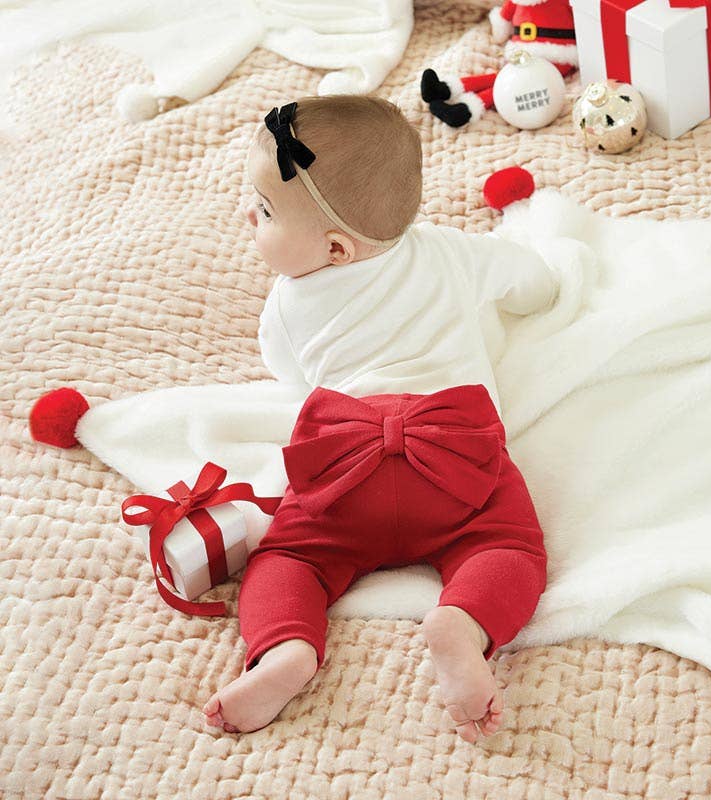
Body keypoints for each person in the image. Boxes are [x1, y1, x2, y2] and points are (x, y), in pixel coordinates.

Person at [201, 95, 559, 743]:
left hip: (347, 464)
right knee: (509, 546)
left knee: (288, 557)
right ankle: (464, 623)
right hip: (454, 453)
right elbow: (535, 283)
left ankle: (286, 648)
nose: (248, 215)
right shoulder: (453, 252)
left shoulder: (285, 308)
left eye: (265, 211)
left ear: (337, 249)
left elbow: (298, 384)